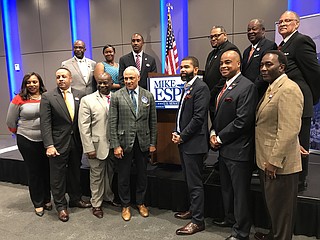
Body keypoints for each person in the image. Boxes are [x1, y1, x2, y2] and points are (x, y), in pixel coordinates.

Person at [254, 50, 304, 240]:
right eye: (262, 65)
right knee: (275, 207)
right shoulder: (273, 87)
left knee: (282, 212)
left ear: (281, 67)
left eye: (269, 65)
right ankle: (273, 235)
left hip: (279, 164)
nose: (264, 68)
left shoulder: (289, 89)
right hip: (267, 158)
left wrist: (274, 160)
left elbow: (289, 129)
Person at [210, 50, 258, 240]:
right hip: (224, 150)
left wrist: (219, 138)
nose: (223, 66)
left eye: (228, 62)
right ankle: (230, 219)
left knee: (240, 194)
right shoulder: (224, 87)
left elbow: (243, 121)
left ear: (239, 64)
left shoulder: (247, 87)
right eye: (221, 63)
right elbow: (218, 116)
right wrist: (213, 132)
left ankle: (242, 231)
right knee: (227, 189)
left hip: (239, 151)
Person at [40, 67, 91, 222]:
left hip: (76, 142)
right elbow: (45, 123)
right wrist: (49, 145)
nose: (61, 79)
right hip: (57, 144)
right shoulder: (48, 97)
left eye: (63, 76)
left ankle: (76, 198)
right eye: (58, 77)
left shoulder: (80, 95)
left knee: (75, 172)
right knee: (58, 177)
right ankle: (61, 206)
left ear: (71, 79)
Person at [278, 11, 320, 189]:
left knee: (301, 142)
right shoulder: (282, 45)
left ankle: (300, 181)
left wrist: (310, 97)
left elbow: (314, 72)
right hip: (285, 101)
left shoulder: (301, 41)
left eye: (288, 21)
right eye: (280, 21)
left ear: (297, 24)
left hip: (300, 100)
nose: (283, 24)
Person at [109, 66, 157, 221]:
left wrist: (152, 143)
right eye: (125, 78)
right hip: (123, 143)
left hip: (143, 141)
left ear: (138, 78)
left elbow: (153, 122)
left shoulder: (148, 95)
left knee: (142, 175)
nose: (128, 81)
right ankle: (125, 205)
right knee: (123, 176)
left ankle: (141, 203)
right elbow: (112, 122)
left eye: (131, 78)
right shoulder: (117, 96)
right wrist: (115, 145)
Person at [172, 56, 210, 235]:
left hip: (193, 144)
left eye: (186, 67)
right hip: (185, 142)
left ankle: (198, 221)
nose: (182, 70)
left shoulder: (201, 88)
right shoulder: (187, 87)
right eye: (181, 67)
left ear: (196, 69)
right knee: (189, 181)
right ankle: (193, 210)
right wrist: (175, 131)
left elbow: (198, 118)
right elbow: (181, 113)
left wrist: (182, 137)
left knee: (195, 184)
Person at [6, 72, 51, 217]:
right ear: (25, 84)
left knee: (46, 170)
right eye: (29, 82)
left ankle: (47, 198)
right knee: (34, 172)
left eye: (34, 82)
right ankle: (38, 202)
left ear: (40, 83)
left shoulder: (47, 96)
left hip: (45, 141)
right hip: (27, 140)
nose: (32, 85)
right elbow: (10, 122)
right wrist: (19, 132)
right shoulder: (19, 99)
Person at [78, 73, 117, 219]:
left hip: (113, 145)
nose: (102, 85)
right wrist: (88, 148)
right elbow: (83, 126)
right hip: (95, 146)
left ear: (111, 82)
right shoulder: (87, 100)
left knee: (110, 173)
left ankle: (108, 197)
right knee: (96, 176)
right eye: (99, 83)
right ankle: (96, 204)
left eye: (105, 82)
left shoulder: (116, 97)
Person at [242, 19, 277, 99]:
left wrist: (252, 89)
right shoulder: (246, 51)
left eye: (254, 29)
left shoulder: (269, 45)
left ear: (263, 31)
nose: (251, 32)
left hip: (261, 93)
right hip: (246, 93)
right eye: (249, 30)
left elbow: (266, 71)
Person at [204, 26, 240, 96]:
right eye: (211, 37)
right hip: (210, 94)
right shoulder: (211, 53)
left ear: (225, 35)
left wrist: (214, 93)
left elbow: (228, 76)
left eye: (216, 36)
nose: (213, 39)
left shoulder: (230, 49)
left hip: (222, 94)